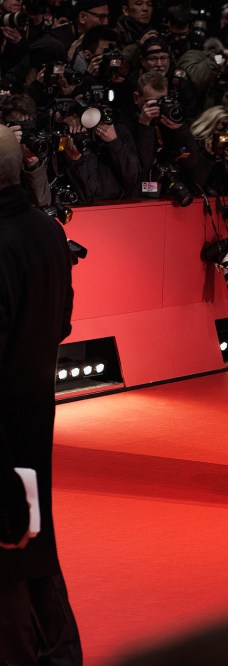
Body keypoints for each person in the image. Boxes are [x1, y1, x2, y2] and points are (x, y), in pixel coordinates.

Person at [0, 124, 81, 664]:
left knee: (10, 556)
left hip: (3, 427)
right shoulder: (48, 229)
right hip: (34, 413)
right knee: (32, 542)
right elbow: (63, 323)